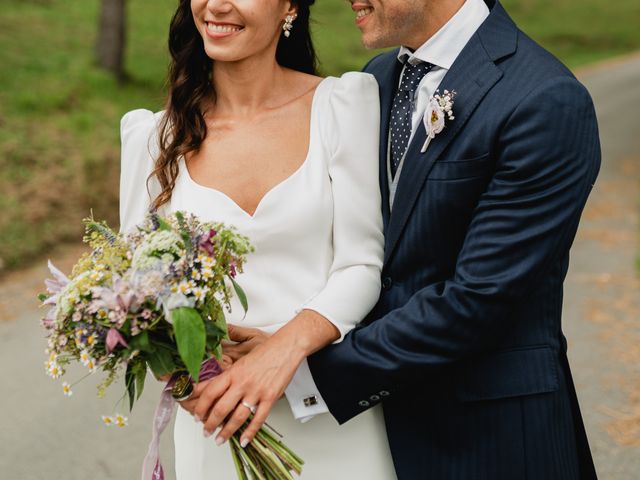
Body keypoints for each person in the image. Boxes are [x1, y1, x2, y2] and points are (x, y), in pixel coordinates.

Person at [197, 0, 602, 479]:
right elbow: (370, 256)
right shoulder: (381, 78)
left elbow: (477, 301)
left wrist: (295, 368)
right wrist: (284, 341)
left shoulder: (543, 98)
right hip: (376, 434)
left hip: (490, 439)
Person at [119, 0, 398, 478]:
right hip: (218, 424)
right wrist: (191, 384)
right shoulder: (152, 137)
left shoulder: (342, 105)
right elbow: (134, 295)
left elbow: (361, 265)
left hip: (332, 414)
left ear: (289, 6)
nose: (218, 5)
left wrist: (280, 352)